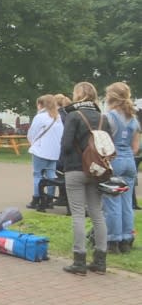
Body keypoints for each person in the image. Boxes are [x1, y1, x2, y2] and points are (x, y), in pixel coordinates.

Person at [61, 82, 110, 275]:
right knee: (97, 214)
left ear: (78, 95)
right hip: (97, 170)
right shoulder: (103, 118)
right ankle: (100, 260)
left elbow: (65, 145)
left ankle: (79, 260)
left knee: (79, 215)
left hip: (75, 169)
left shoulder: (73, 116)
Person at [103, 82, 140, 254]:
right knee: (127, 203)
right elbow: (135, 147)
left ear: (111, 96)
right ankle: (127, 238)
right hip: (129, 162)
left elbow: (104, 143)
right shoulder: (133, 118)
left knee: (112, 203)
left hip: (114, 161)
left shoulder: (109, 117)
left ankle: (113, 240)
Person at [25, 95, 64, 209]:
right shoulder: (57, 117)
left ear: (41, 105)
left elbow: (32, 133)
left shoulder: (40, 117)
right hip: (54, 152)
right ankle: (49, 199)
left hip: (40, 150)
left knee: (38, 174)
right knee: (51, 175)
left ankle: (37, 198)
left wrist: (33, 143)